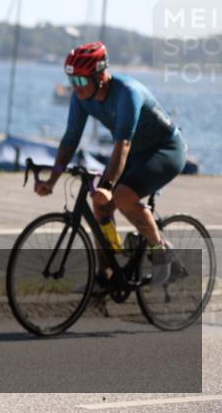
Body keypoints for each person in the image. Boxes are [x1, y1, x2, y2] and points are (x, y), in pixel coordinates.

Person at [35, 42, 186, 287]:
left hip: (165, 150)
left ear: (101, 76)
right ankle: (108, 271)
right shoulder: (82, 97)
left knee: (122, 196)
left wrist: (108, 184)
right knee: (100, 205)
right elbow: (70, 139)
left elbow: (123, 144)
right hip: (134, 154)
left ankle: (161, 251)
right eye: (72, 80)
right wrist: (52, 179)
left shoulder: (127, 93)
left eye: (82, 81)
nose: (76, 87)